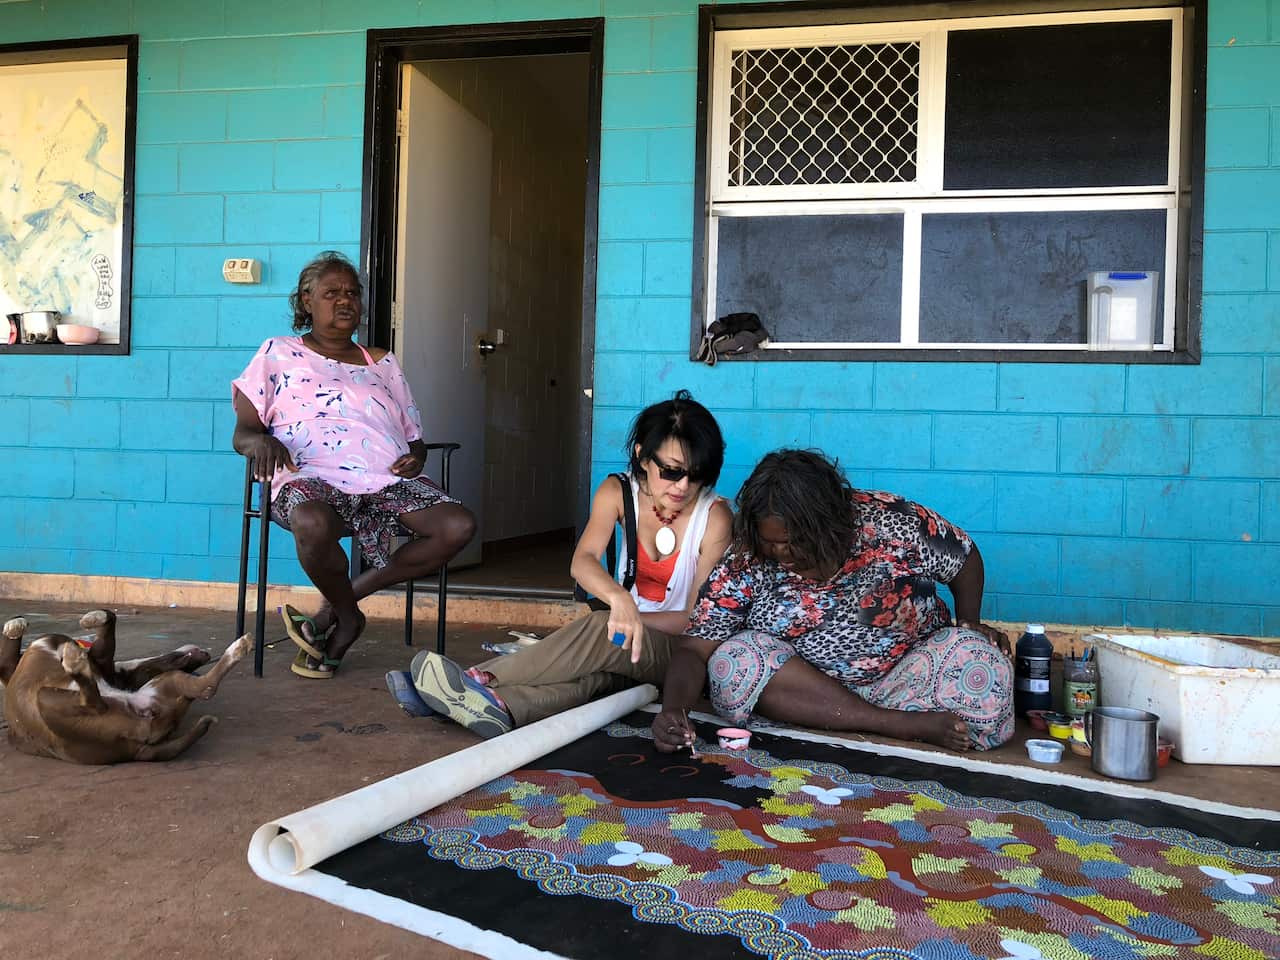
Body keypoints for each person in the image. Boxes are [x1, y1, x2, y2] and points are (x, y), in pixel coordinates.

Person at [389, 391, 733, 737]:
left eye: (696, 474)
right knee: (594, 680)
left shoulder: (714, 516)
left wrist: (626, 617)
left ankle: (476, 678)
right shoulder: (618, 491)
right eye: (671, 471)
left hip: (680, 654)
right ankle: (502, 707)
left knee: (600, 630)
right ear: (643, 456)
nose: (684, 486)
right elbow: (582, 562)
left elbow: (696, 620)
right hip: (626, 642)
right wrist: (620, 600)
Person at [652, 449, 1013, 754]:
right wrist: (673, 710)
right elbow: (696, 648)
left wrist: (970, 621)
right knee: (732, 661)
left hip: (907, 676)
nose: (780, 552)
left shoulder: (890, 523)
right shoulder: (747, 557)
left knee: (984, 665)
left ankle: (884, 717)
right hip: (808, 691)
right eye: (770, 542)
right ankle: (897, 725)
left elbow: (964, 559)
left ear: (828, 523)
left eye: (792, 541)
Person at [231, 250, 476, 678]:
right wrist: (259, 444)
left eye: (352, 293)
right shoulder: (276, 353)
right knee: (312, 522)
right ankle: (349, 620)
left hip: (383, 478)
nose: (345, 301)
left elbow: (413, 435)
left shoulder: (381, 362)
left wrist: (416, 456)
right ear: (306, 301)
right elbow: (244, 432)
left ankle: (339, 609)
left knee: (458, 526)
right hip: (308, 476)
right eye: (331, 293)